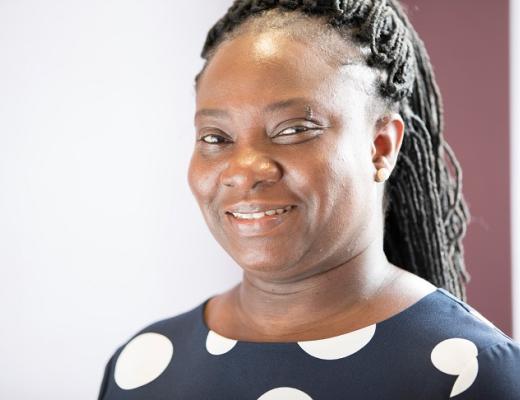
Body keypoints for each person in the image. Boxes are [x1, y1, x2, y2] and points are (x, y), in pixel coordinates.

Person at [98, 1, 520, 398]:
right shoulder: (142, 366)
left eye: (294, 129)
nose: (244, 169)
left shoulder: (473, 372)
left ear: (380, 147)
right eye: (216, 137)